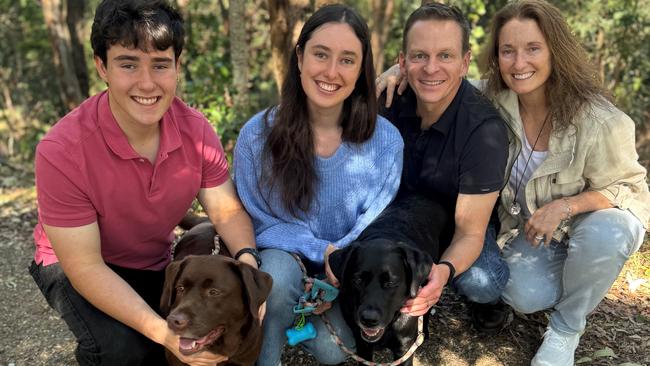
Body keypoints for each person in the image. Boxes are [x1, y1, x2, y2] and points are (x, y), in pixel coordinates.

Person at [29, 1, 261, 365]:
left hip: (152, 260)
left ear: (177, 67)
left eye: (160, 65)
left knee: (191, 334)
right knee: (126, 350)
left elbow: (227, 212)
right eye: (128, 64)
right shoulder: (61, 150)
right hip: (76, 264)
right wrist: (159, 332)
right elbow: (86, 267)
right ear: (102, 66)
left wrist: (249, 263)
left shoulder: (196, 132)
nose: (147, 83)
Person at [480, 1, 649, 364]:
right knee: (521, 295)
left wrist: (564, 206)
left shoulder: (601, 121)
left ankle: (566, 331)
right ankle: (583, 279)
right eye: (507, 50)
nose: (518, 62)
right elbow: (442, 81)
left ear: (555, 50)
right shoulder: (495, 100)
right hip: (538, 237)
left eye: (532, 49)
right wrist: (391, 76)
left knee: (608, 232)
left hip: (590, 226)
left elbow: (632, 191)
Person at [233, 4, 403, 365]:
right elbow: (259, 219)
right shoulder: (256, 137)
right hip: (280, 258)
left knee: (332, 351)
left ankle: (304, 315)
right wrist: (318, 250)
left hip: (346, 273)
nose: (330, 71)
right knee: (276, 279)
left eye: (346, 60)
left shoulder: (386, 142)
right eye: (320, 54)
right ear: (299, 57)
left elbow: (372, 224)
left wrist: (338, 265)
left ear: (361, 70)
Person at [376, 3, 511, 332]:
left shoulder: (484, 130)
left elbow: (470, 232)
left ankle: (483, 303)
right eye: (420, 56)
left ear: (465, 62)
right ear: (402, 61)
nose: (431, 68)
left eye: (445, 56)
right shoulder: (388, 100)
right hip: (400, 213)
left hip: (458, 220)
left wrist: (444, 271)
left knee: (484, 280)